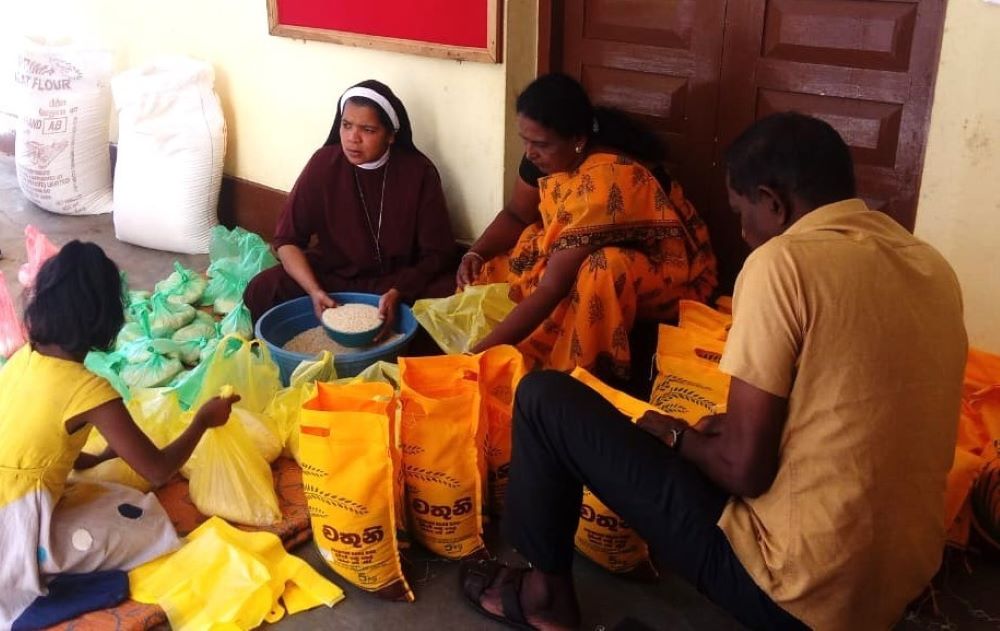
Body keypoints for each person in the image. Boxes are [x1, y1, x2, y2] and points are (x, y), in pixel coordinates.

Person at [460, 113, 968, 630]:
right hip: (896, 585)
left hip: (797, 595)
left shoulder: (784, 263)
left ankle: (545, 598)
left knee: (546, 399)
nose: (744, 233)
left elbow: (744, 470)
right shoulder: (929, 265)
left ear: (773, 202)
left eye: (742, 213)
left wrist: (677, 436)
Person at [0, 241, 239, 628]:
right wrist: (202, 421)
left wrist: (96, 458)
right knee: (144, 523)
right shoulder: (91, 391)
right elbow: (159, 471)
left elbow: (32, 441)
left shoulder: (21, 360)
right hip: (11, 530)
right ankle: (37, 576)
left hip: (10, 495)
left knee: (109, 495)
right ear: (104, 317)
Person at [459, 73, 716, 381]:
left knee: (600, 268)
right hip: (577, 253)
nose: (529, 152)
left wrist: (473, 358)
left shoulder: (606, 180)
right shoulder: (545, 157)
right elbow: (517, 214)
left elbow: (553, 288)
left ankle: (580, 378)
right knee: (518, 250)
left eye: (540, 144)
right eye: (524, 140)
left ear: (579, 140)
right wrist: (475, 252)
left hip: (668, 273)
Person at [243, 79, 457, 336]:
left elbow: (437, 254)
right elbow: (287, 240)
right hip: (334, 279)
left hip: (395, 283)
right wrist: (314, 291)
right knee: (264, 288)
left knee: (450, 295)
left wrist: (400, 290)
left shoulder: (418, 172)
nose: (353, 138)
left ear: (390, 135)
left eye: (367, 130)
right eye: (346, 125)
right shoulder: (324, 164)